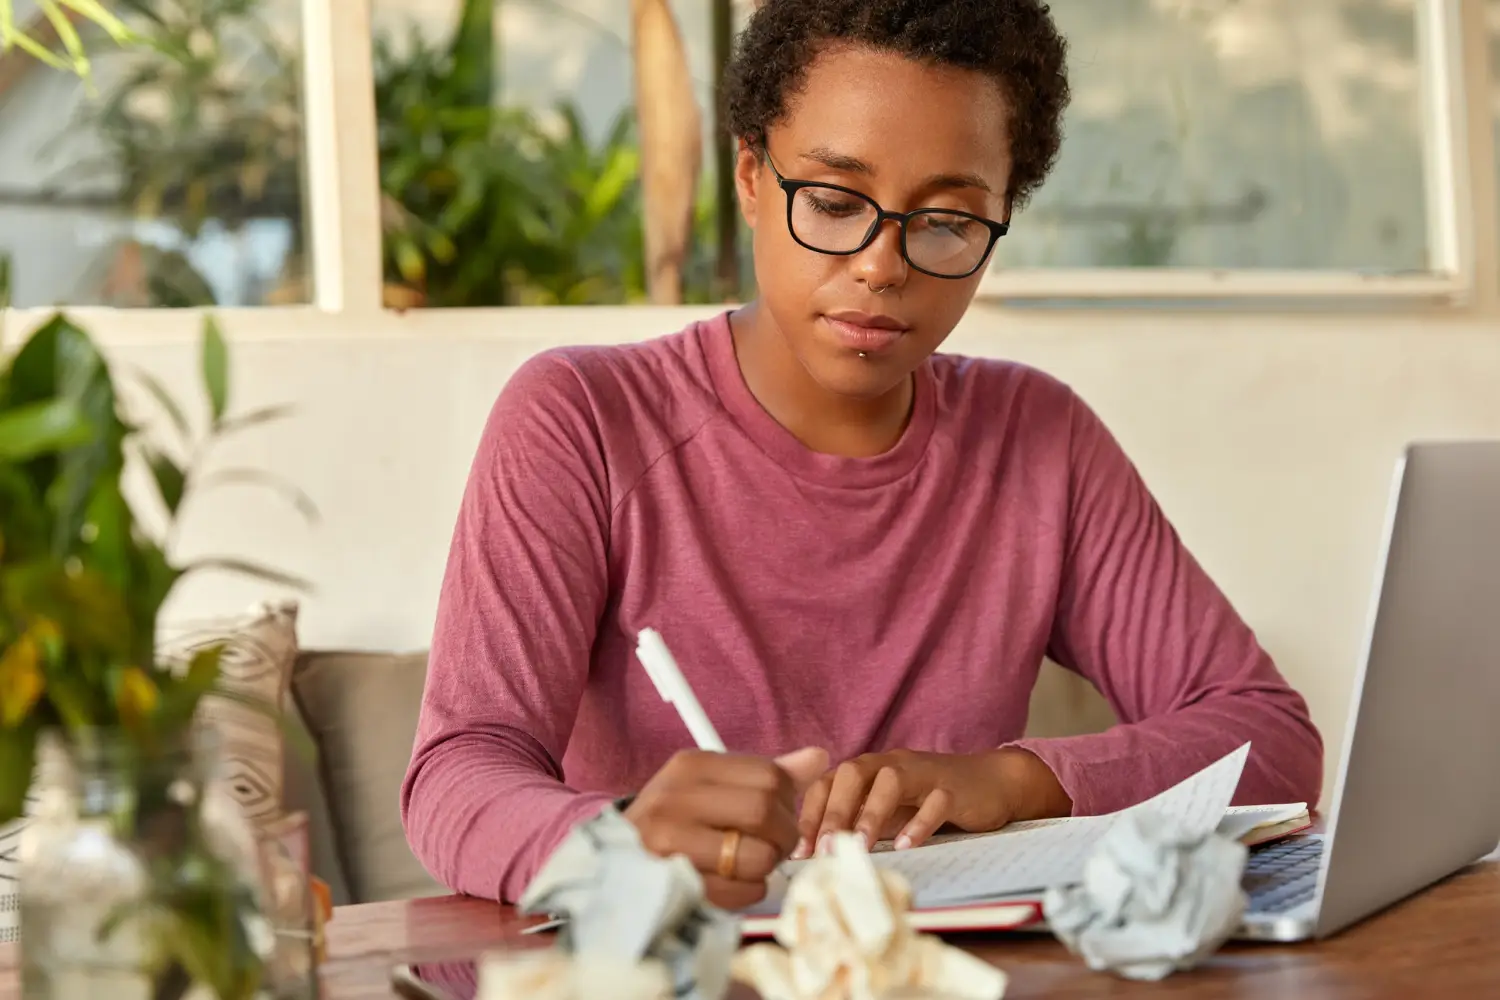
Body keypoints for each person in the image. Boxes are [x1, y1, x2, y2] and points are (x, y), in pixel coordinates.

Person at [401, 0, 1324, 912]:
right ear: (753, 176)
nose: (884, 265)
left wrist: (1011, 780)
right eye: (837, 203)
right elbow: (454, 776)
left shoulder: (1038, 438)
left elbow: (1268, 739)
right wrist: (616, 840)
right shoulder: (583, 421)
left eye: (947, 222)